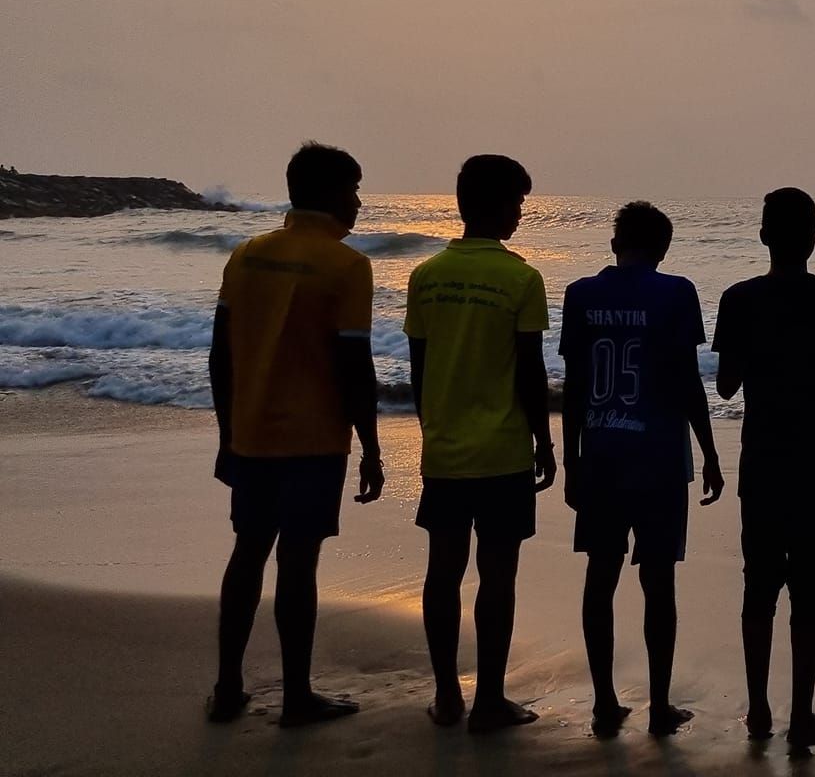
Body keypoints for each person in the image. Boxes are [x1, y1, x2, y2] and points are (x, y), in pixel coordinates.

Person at [207, 142, 382, 727]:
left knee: (247, 552)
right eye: (353, 190)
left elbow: (219, 355)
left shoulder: (248, 254)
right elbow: (355, 365)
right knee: (298, 564)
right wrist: (371, 446)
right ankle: (297, 696)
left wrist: (227, 431)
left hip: (252, 434)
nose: (357, 203)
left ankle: (227, 687)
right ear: (332, 194)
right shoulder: (347, 266)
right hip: (314, 439)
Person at [560, 201, 725, 738]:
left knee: (600, 577)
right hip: (658, 459)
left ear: (615, 244)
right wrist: (709, 452)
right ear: (663, 250)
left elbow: (575, 388)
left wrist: (570, 460)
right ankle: (658, 706)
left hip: (601, 455)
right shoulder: (676, 293)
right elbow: (687, 381)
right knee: (659, 582)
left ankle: (604, 702)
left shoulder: (580, 294)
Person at [404, 154, 557, 733]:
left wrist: (432, 426)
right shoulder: (521, 279)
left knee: (442, 573)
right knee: (497, 576)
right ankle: (489, 698)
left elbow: (420, 368)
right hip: (503, 452)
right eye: (517, 203)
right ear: (496, 206)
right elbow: (530, 372)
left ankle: (448, 695)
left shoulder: (427, 275)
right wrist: (545, 441)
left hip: (445, 450)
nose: (519, 214)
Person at [712, 188, 815, 749]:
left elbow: (726, 386)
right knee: (808, 588)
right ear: (813, 238)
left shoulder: (739, 299)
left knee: (759, 585)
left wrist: (765, 359)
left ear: (763, 236)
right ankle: (801, 714)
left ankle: (758, 710)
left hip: (764, 456)